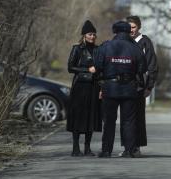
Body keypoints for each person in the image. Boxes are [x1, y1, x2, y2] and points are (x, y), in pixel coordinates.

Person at [95, 21, 147, 158]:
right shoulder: (135, 48)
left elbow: (98, 66)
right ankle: (129, 151)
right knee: (129, 121)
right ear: (128, 31)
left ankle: (106, 151)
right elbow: (142, 68)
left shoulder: (106, 46)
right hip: (129, 88)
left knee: (109, 120)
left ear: (115, 31)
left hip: (110, 88)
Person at [118, 15, 157, 156]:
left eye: (134, 27)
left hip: (139, 87)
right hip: (124, 86)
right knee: (125, 118)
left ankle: (137, 147)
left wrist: (149, 86)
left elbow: (152, 65)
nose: (131, 30)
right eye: (129, 28)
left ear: (139, 27)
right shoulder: (122, 42)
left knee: (138, 118)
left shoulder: (145, 42)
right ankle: (127, 147)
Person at [67, 20, 102, 156]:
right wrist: (87, 69)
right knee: (78, 117)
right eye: (89, 34)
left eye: (94, 34)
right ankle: (76, 147)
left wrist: (101, 88)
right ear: (84, 35)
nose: (92, 36)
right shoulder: (77, 48)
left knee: (91, 117)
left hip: (93, 87)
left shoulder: (98, 50)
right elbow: (70, 67)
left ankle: (87, 147)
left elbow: (100, 69)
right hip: (79, 88)